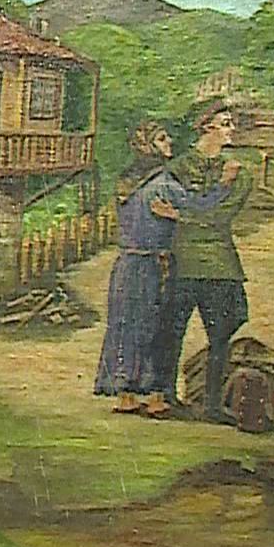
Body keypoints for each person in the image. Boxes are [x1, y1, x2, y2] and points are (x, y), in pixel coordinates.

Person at [94, 122, 238, 416]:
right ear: (148, 146)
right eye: (161, 138)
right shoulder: (163, 183)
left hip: (126, 266)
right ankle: (155, 397)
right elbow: (200, 206)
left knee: (126, 326)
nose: (169, 140)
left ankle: (125, 396)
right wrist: (224, 183)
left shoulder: (126, 182)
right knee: (157, 327)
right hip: (154, 265)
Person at [156, 102, 256, 421]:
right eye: (225, 122)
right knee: (171, 332)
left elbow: (220, 218)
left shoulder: (239, 173)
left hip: (219, 264)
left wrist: (179, 216)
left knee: (221, 336)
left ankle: (213, 405)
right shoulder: (176, 169)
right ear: (206, 127)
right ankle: (166, 396)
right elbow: (161, 209)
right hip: (182, 262)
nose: (232, 129)